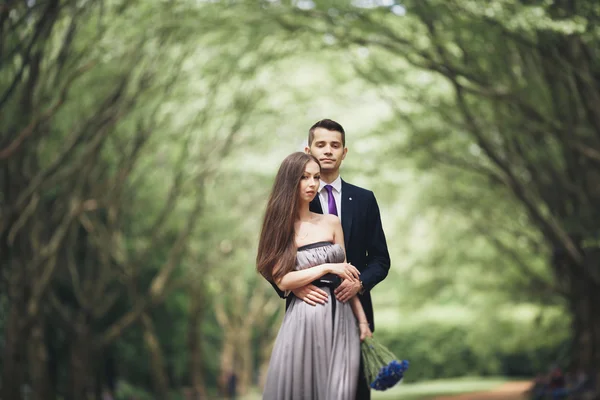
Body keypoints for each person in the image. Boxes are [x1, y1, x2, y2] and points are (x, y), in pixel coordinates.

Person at [271, 119, 391, 399]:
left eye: (335, 145)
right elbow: (271, 260)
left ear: (344, 152)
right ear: (308, 150)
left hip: (354, 309)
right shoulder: (294, 199)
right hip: (308, 310)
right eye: (320, 145)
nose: (328, 151)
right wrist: (292, 286)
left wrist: (359, 284)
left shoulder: (364, 200)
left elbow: (380, 259)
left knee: (352, 391)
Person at [258, 152, 373, 400]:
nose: (312, 184)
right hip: (305, 317)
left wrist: (362, 322)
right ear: (290, 181)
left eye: (316, 177)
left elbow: (347, 276)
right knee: (306, 390)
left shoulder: (331, 222)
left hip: (342, 318)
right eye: (304, 177)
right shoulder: (281, 227)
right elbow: (282, 280)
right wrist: (326, 268)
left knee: (341, 391)